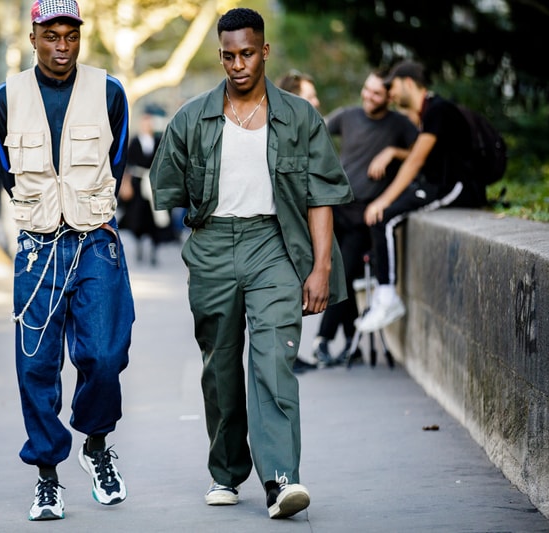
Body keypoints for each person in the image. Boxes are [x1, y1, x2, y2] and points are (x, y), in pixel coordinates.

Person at [150, 8, 353, 520]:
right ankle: (226, 471)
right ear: (219, 55)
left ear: (264, 51)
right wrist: (201, 231)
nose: (237, 64)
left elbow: (320, 196)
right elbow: (167, 187)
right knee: (219, 366)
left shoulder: (299, 116)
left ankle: (281, 480)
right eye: (228, 56)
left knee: (274, 360)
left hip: (275, 244)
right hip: (214, 245)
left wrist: (321, 267)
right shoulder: (192, 117)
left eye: (246, 53)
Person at [0, 0, 134, 521]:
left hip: (96, 240)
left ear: (80, 37)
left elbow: (116, 162)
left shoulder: (110, 91)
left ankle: (96, 444)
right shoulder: (7, 96)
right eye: (51, 36)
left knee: (105, 354)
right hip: (38, 249)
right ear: (33, 38)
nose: (62, 47)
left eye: (71, 36)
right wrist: (44, 213)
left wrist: (83, 208)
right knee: (36, 364)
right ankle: (47, 475)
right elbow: (7, 169)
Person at [303, 69, 419, 368]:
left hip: (363, 216)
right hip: (335, 208)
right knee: (336, 272)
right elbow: (312, 133)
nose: (369, 96)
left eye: (377, 93)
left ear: (389, 98)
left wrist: (393, 152)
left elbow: (422, 154)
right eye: (366, 89)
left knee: (341, 272)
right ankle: (350, 339)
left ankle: (323, 340)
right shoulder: (348, 116)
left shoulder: (399, 125)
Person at [358, 60, 475, 332]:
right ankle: (383, 296)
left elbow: (415, 162)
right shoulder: (427, 113)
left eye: (394, 87)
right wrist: (393, 153)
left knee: (384, 215)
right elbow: (416, 154)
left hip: (454, 189)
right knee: (381, 219)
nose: (391, 95)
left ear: (408, 82)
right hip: (434, 185)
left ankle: (388, 298)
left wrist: (383, 200)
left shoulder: (438, 110)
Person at [118, 104, 175, 265]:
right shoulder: (135, 141)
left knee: (155, 219)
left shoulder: (158, 140)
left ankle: (154, 251)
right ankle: (139, 247)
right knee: (137, 217)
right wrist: (126, 185)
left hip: (153, 184)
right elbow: (127, 164)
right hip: (138, 184)